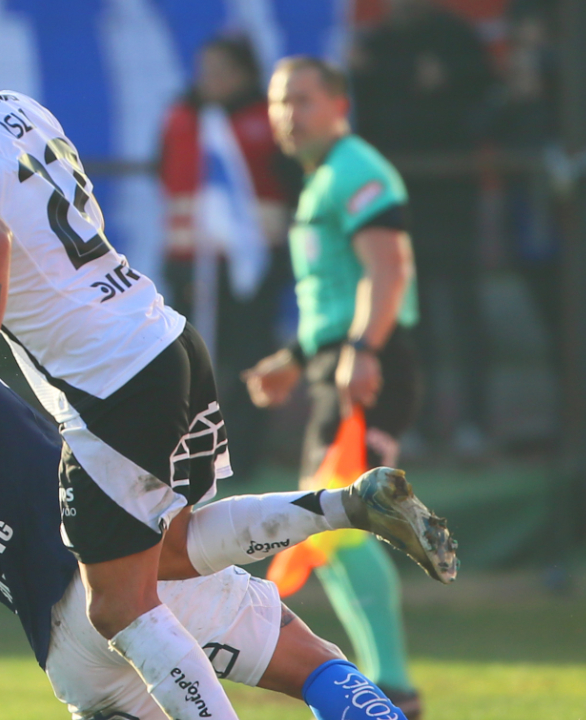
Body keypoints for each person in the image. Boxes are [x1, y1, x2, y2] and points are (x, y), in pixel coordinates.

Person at [0, 17, 452, 720]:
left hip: (105, 383)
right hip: (165, 339)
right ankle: (344, 505)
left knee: (119, 607)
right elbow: (15, 228)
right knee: (175, 547)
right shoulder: (11, 108)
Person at [0, 255, 450, 720]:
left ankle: (344, 505)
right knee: (313, 663)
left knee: (176, 540)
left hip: (65, 649)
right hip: (115, 561)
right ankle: (343, 505)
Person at [242, 57, 429, 718]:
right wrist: (296, 358)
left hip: (371, 365)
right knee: (327, 531)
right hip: (341, 362)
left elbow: (387, 270)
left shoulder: (356, 171)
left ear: (339, 104)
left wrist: (363, 349)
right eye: (278, 101)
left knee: (342, 526)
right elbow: (339, 292)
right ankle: (387, 684)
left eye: (301, 99)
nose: (286, 113)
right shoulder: (326, 179)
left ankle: (394, 688)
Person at [350, 0, 494, 455]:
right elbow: (364, 116)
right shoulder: (375, 45)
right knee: (408, 317)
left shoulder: (455, 38)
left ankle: (474, 423)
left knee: (463, 308)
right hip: (395, 205)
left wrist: (443, 80)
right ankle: (417, 423)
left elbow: (482, 93)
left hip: (451, 198)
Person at [158, 35, 299, 479]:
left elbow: (290, 185)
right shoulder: (182, 116)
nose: (210, 80)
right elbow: (161, 171)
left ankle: (242, 457)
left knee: (247, 358)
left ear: (245, 74)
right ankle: (192, 458)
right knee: (189, 362)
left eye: (221, 70)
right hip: (190, 262)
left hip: (252, 267)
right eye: (205, 69)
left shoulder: (268, 119)